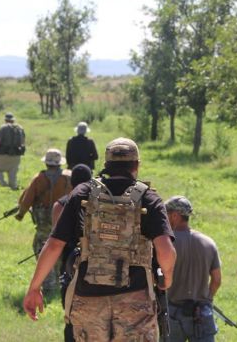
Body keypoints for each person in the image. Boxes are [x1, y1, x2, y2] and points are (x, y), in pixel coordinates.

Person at [23, 137, 177, 342]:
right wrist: (167, 277)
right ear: (137, 165)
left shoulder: (82, 194)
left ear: (106, 165)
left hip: (89, 299)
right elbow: (165, 251)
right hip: (135, 300)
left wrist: (34, 288)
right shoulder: (149, 199)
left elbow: (54, 246)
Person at [15, 148, 73, 293]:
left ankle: (49, 284)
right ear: (60, 163)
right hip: (62, 219)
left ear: (46, 163)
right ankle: (62, 279)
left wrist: (21, 214)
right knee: (61, 248)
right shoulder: (68, 177)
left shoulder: (38, 178)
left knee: (41, 248)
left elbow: (26, 199)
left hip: (43, 222)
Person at [165, 196, 222, 342]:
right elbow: (216, 280)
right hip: (200, 313)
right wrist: (207, 299)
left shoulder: (166, 244)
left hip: (173, 313)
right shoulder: (208, 243)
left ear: (175, 216)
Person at [51, 163, 92, 342]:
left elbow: (56, 239)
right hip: (93, 267)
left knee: (70, 319)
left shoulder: (60, 205)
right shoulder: (99, 203)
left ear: (70, 181)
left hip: (69, 269)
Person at [0, 112, 26, 190]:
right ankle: (13, 187)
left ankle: (4, 186)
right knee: (12, 171)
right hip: (17, 154)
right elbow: (23, 142)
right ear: (13, 120)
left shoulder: (3, 128)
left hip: (3, 153)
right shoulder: (20, 128)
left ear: (5, 120)